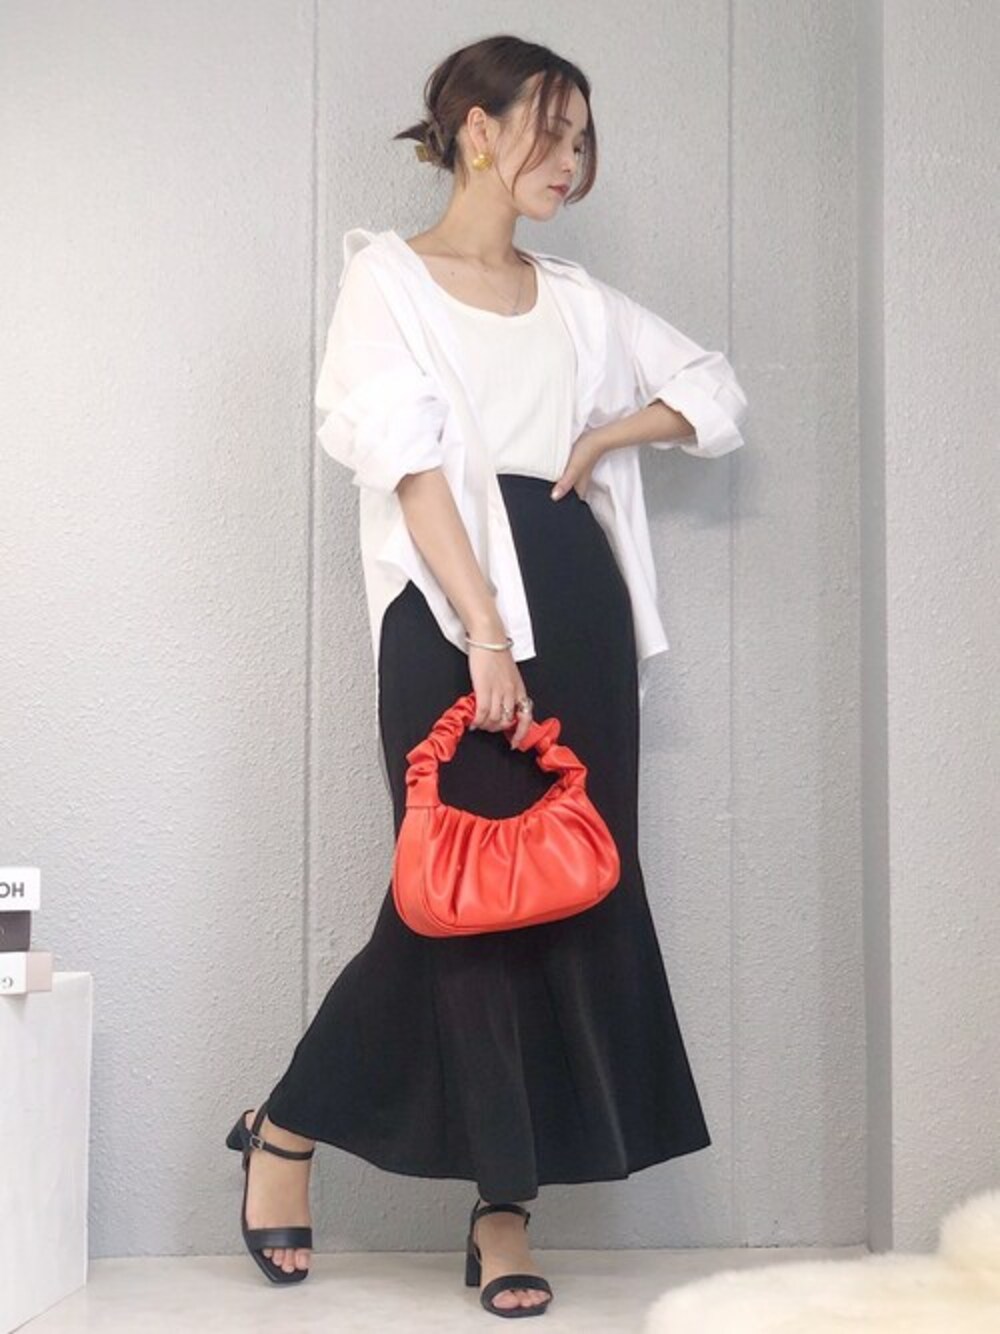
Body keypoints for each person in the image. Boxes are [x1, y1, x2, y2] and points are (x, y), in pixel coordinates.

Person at [225, 34, 748, 1320]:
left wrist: (609, 432)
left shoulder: (577, 300)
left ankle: (502, 1210)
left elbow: (714, 391)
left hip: (575, 595)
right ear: (474, 128)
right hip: (452, 600)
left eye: (582, 142)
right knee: (451, 896)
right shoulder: (388, 281)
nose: (570, 163)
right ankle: (289, 1124)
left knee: (567, 890)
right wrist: (483, 629)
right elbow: (407, 465)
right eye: (550, 133)